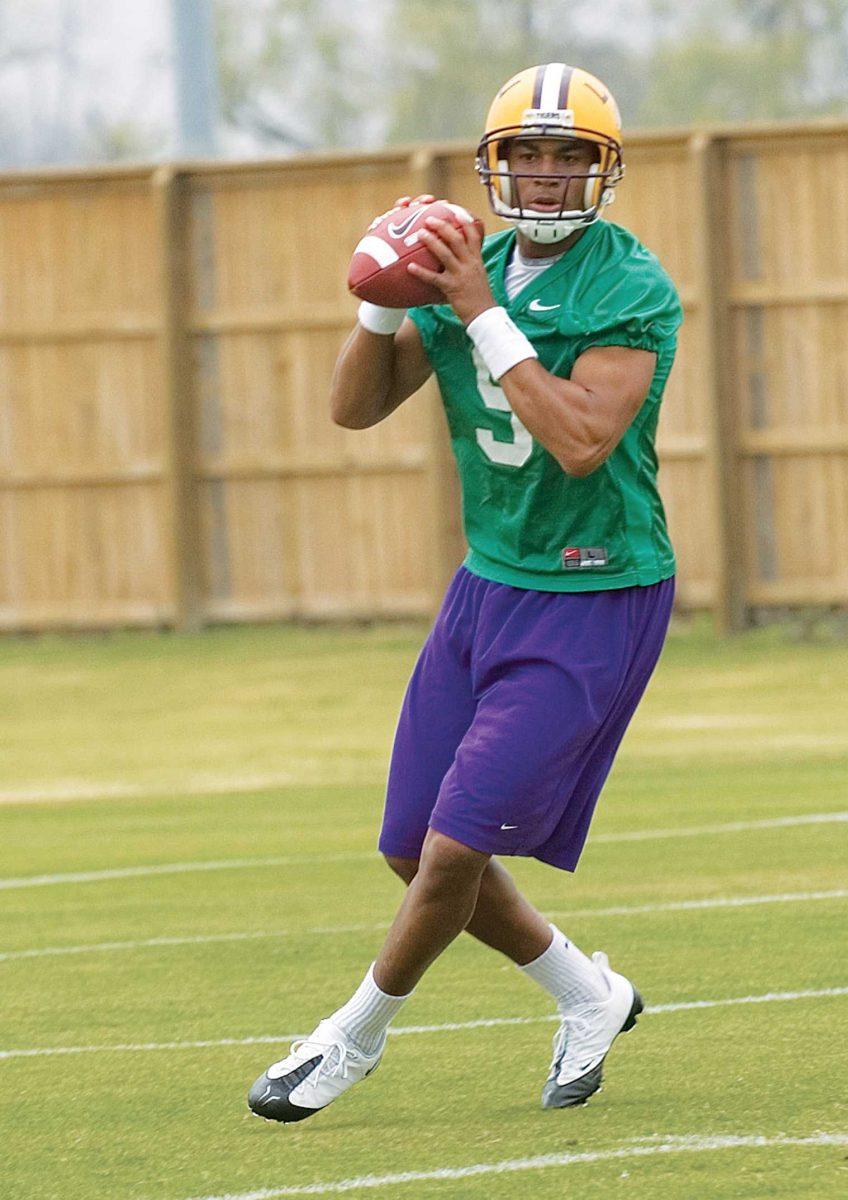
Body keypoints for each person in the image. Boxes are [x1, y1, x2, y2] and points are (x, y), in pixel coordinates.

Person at [248, 62, 683, 1123]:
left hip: (594, 590)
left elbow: (582, 443)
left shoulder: (628, 285)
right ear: (493, 165)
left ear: (601, 170)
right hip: (485, 585)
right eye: (524, 153)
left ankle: (351, 1036)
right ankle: (589, 994)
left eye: (566, 154)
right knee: (408, 846)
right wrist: (381, 304)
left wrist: (481, 311)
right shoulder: (462, 269)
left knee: (455, 844)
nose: (542, 174)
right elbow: (353, 411)